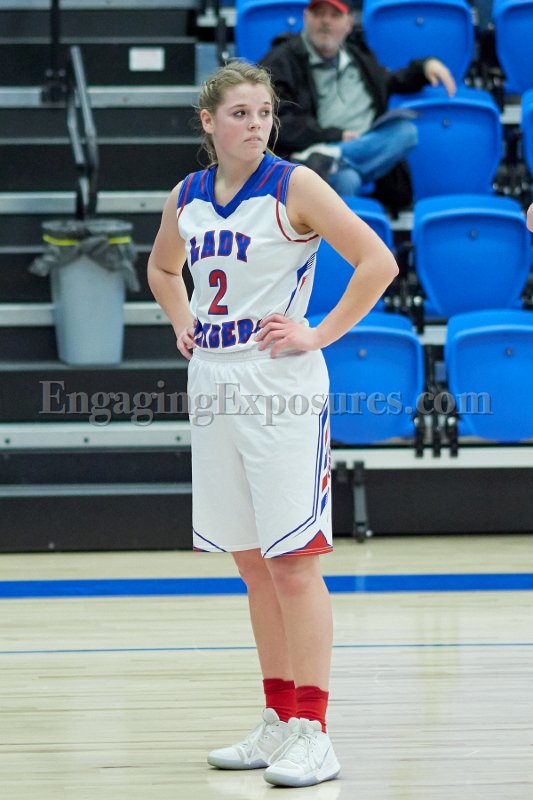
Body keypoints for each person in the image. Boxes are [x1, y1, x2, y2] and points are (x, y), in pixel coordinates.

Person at [147, 60, 398, 788]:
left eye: (264, 113)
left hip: (279, 384)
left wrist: (318, 333)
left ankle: (316, 732)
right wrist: (182, 320)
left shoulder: (296, 186)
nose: (255, 125)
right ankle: (279, 719)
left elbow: (376, 262)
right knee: (252, 563)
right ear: (208, 121)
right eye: (240, 114)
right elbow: (162, 270)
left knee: (293, 561)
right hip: (213, 380)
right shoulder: (186, 196)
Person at [261, 0, 457, 209]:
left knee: (404, 133)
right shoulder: (282, 59)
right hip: (313, 148)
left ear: (348, 23)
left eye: (335, 15)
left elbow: (392, 81)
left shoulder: (358, 57)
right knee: (349, 179)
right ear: (306, 18)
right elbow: (276, 121)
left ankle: (336, 157)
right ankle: (333, 156)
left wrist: (425, 66)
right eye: (319, 14)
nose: (326, 22)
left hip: (353, 149)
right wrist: (335, 135)